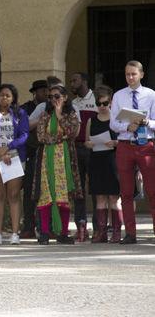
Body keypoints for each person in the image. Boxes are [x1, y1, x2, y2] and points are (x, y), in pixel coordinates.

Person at [109, 60, 155, 244]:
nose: (130, 77)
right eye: (127, 74)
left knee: (152, 190)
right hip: (125, 145)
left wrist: (145, 123)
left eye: (133, 74)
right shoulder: (119, 96)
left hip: (146, 144)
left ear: (141, 75)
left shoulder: (151, 95)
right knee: (126, 192)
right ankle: (130, 233)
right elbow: (113, 123)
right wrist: (128, 126)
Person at [33, 84, 82, 245]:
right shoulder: (45, 114)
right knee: (46, 195)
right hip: (47, 159)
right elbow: (41, 136)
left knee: (64, 196)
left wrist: (60, 115)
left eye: (57, 96)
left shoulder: (71, 114)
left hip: (65, 159)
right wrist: (60, 138)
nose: (54, 100)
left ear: (65, 97)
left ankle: (62, 232)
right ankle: (45, 233)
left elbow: (73, 133)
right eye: (51, 97)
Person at [0, 84, 29, 245]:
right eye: (2, 95)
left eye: (8, 95)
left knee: (13, 195)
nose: (4, 98)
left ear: (13, 98)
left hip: (15, 156)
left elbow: (24, 135)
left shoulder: (20, 114)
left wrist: (8, 149)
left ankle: (15, 233)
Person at [83, 85, 121, 243]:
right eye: (99, 104)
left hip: (112, 160)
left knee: (113, 198)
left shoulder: (117, 119)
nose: (102, 107)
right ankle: (101, 232)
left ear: (111, 102)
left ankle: (117, 232)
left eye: (105, 103)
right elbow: (86, 141)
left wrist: (115, 142)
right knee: (100, 198)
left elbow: (124, 139)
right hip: (96, 160)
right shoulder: (91, 120)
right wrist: (89, 144)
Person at [69, 72, 97, 242]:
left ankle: (99, 227)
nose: (72, 83)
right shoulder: (72, 103)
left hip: (94, 148)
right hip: (77, 149)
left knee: (94, 188)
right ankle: (81, 227)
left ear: (84, 81)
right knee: (78, 190)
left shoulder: (97, 99)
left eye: (75, 80)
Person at [19, 80, 47, 238]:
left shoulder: (52, 107)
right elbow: (23, 128)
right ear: (35, 92)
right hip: (30, 153)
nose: (45, 94)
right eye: (42, 91)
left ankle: (44, 226)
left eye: (46, 91)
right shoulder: (25, 108)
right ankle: (28, 226)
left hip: (46, 152)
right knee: (29, 191)